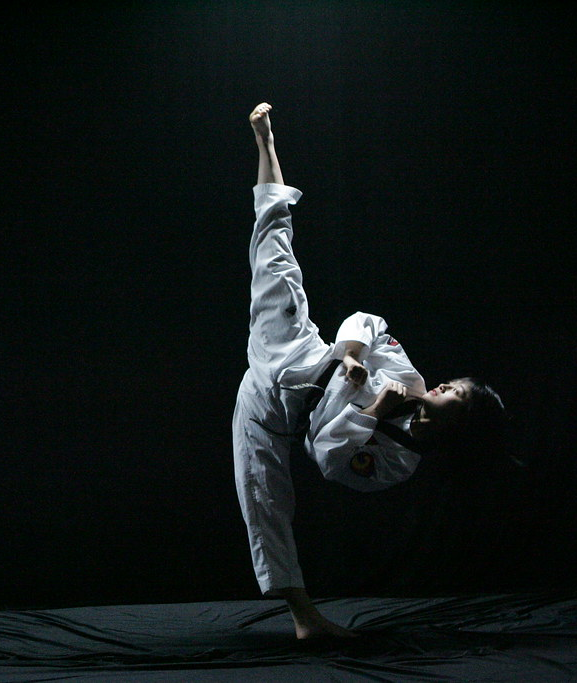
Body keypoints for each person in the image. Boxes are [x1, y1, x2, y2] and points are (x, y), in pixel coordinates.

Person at [232, 102, 506, 639]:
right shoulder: (411, 377)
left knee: (265, 503)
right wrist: (354, 355)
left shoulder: (401, 463)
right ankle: (266, 145)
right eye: (455, 383)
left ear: (460, 424)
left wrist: (376, 410)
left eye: (459, 395)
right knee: (274, 247)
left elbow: (329, 458)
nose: (447, 385)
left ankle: (303, 618)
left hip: (271, 415)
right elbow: (368, 320)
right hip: (297, 352)